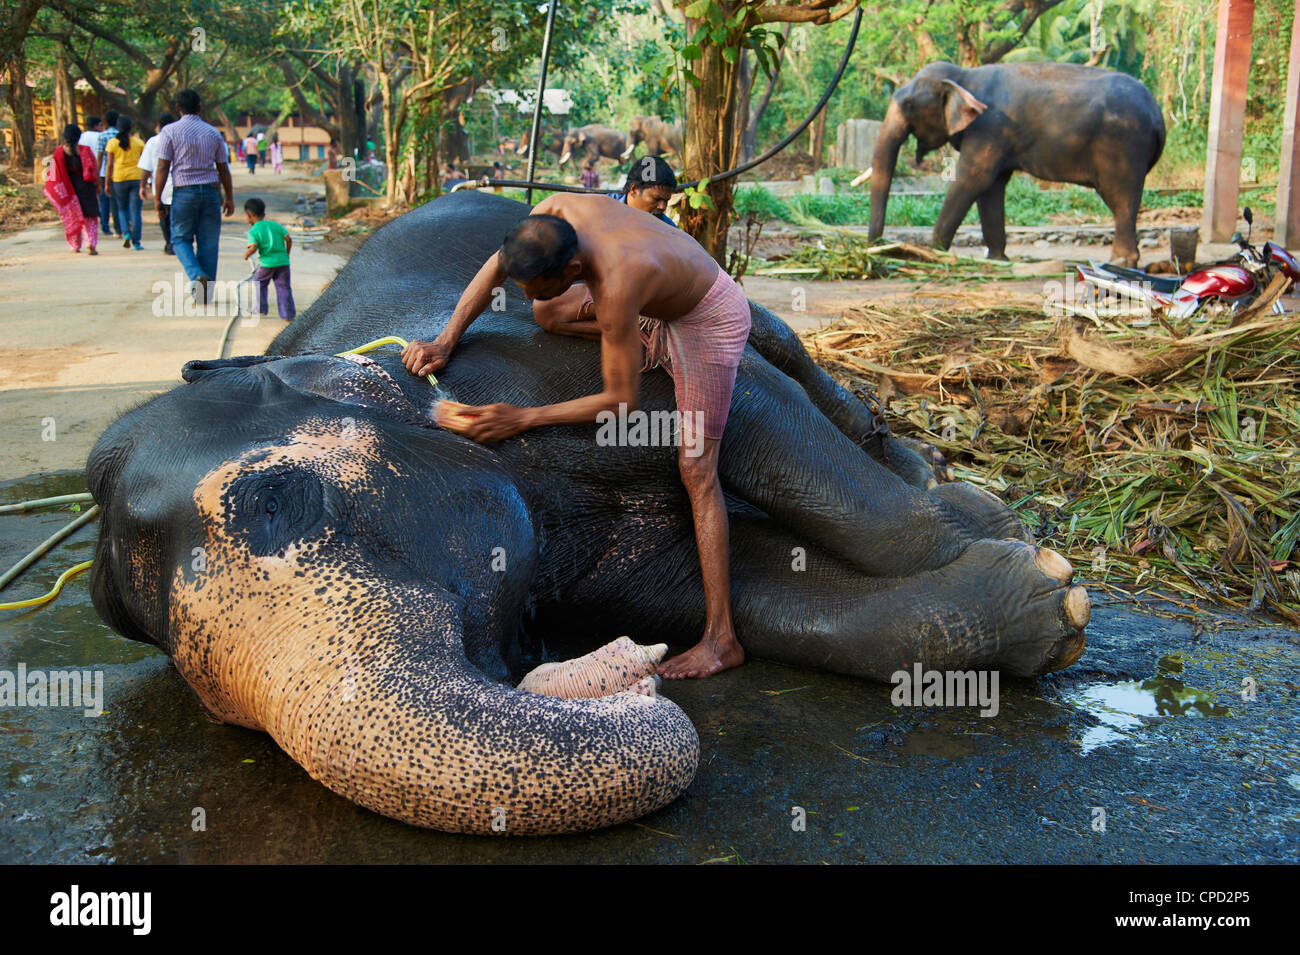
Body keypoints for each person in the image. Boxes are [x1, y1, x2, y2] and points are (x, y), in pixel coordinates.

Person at [401, 195, 751, 679]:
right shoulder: (555, 212)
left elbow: (621, 400)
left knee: (695, 468)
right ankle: (641, 338)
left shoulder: (618, 282)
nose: (523, 297)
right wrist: (446, 339)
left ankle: (721, 638)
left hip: (705, 316)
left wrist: (522, 418)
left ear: (573, 265)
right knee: (548, 314)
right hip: (654, 284)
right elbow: (497, 266)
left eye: (538, 284)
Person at [153, 89, 235, 305]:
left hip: (184, 192)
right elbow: (223, 168)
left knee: (180, 238)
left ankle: (196, 274)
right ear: (199, 108)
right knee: (208, 243)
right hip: (210, 192)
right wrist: (229, 197)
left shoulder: (169, 132)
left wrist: (157, 198)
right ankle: (204, 295)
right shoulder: (213, 133)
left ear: (178, 109)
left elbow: (162, 167)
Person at [44, 123, 100, 254]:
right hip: (87, 190)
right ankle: (91, 243)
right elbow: (94, 171)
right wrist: (98, 186)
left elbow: (52, 174)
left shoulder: (59, 152)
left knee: (73, 217)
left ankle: (75, 245)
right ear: (79, 137)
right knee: (90, 218)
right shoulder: (85, 150)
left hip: (69, 192)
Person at [242, 197, 296, 321]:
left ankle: (261, 309)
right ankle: (287, 314)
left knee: (259, 282)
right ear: (264, 214)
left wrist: (247, 254)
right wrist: (286, 253)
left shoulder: (254, 230)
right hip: (283, 262)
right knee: (284, 287)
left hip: (266, 264)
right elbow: (288, 238)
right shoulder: (275, 225)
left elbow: (254, 247)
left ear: (249, 215)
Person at [104, 117, 146, 250]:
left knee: (121, 209)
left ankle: (126, 233)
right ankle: (137, 242)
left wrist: (106, 183)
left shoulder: (112, 143)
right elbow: (144, 163)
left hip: (119, 178)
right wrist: (146, 182)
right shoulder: (139, 143)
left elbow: (109, 165)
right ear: (131, 128)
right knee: (135, 211)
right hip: (136, 178)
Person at [138, 113, 176, 254]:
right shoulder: (179, 139)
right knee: (176, 217)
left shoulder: (153, 142)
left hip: (161, 186)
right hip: (179, 185)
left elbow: (146, 167)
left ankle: (169, 242)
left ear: (158, 125)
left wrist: (142, 186)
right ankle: (175, 243)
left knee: (164, 216)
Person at [96, 109, 122, 238]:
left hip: (105, 172)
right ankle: (121, 227)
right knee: (120, 202)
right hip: (120, 171)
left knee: (105, 201)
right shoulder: (122, 135)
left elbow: (100, 157)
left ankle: (106, 226)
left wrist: (97, 174)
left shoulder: (102, 136)